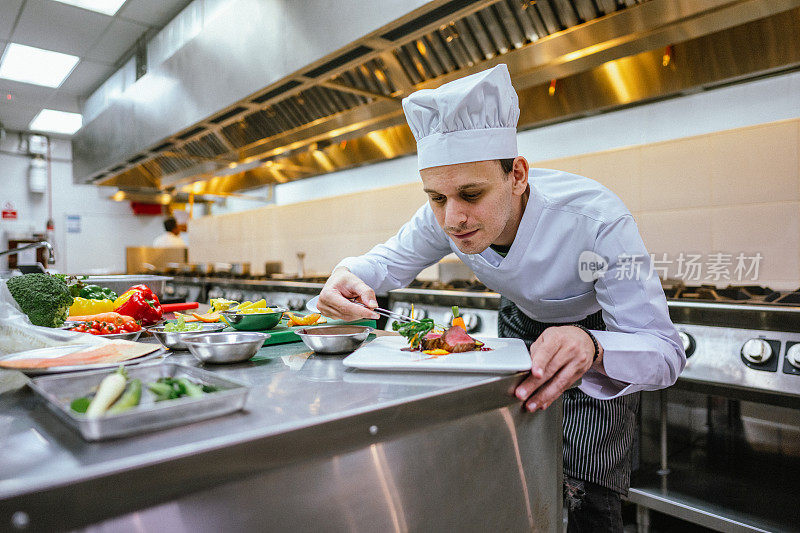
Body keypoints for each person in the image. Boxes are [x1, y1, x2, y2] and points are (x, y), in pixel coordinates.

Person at [317, 64, 686, 532]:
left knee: (589, 491)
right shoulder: (445, 214)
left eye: (471, 194)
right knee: (515, 469)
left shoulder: (597, 220)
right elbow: (385, 262)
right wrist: (346, 274)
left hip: (597, 339)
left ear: (517, 174)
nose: (452, 219)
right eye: (436, 197)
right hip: (518, 326)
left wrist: (593, 347)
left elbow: (665, 351)